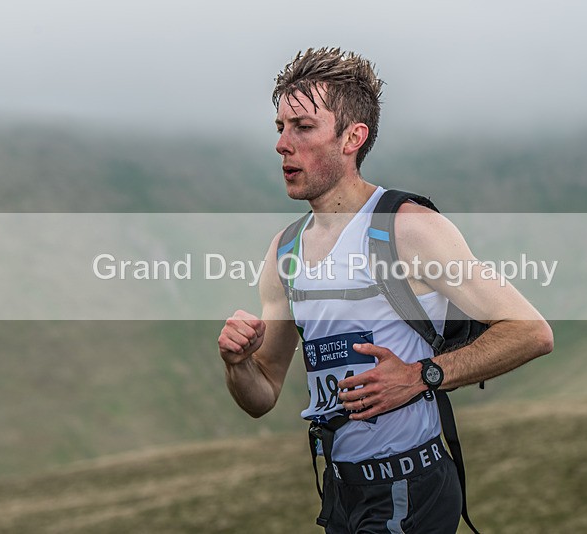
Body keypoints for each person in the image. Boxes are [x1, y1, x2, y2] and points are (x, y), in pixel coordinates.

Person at [218, 47, 553, 533]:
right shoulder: (285, 251)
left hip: (412, 487)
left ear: (353, 137)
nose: (282, 145)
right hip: (340, 491)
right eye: (279, 128)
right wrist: (238, 364)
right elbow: (262, 395)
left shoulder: (408, 228)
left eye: (303, 127)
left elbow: (531, 332)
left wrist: (422, 376)